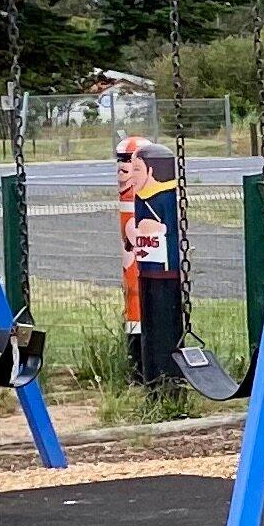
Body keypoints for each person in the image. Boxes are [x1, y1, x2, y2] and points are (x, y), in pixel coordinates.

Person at [118, 136, 189, 392]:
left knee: (162, 323)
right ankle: (153, 383)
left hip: (164, 277)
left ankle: (166, 385)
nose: (129, 176)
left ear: (151, 171)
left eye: (135, 169)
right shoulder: (140, 199)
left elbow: (159, 228)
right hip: (148, 277)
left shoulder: (160, 198)